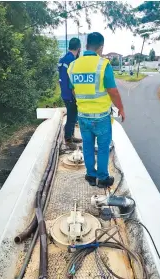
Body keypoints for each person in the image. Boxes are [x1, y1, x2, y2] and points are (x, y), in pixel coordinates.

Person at [68, 32, 125, 188]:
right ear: (101, 47)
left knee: (87, 146)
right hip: (101, 117)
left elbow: (73, 90)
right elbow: (113, 91)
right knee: (102, 148)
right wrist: (120, 108)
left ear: (86, 46)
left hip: (83, 116)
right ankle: (103, 178)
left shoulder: (73, 65)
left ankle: (91, 176)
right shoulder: (103, 64)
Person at [58, 38, 82, 149]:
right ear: (79, 48)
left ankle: (71, 136)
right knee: (72, 117)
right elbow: (72, 79)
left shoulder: (63, 59)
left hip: (64, 92)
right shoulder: (72, 61)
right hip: (70, 93)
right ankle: (68, 140)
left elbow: (61, 78)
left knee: (72, 116)